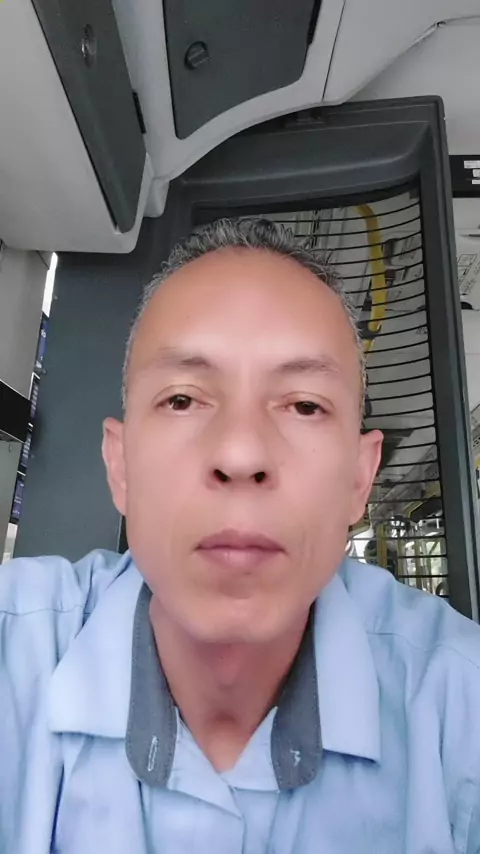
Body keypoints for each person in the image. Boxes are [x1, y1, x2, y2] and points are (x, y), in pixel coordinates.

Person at [1, 218, 480, 854]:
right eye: (181, 399)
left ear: (360, 478)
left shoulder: (459, 704)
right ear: (120, 466)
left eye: (305, 405)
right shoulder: (14, 649)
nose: (241, 452)